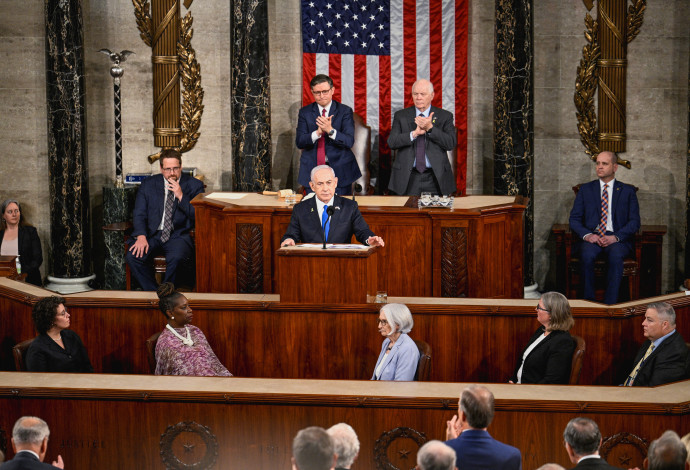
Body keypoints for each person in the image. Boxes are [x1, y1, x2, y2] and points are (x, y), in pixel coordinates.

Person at [126, 148, 204, 290]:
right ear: (161, 168)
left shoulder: (194, 185)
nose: (172, 173)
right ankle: (155, 293)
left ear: (181, 167)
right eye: (168, 169)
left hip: (177, 235)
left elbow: (198, 215)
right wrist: (141, 236)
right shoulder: (148, 184)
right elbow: (139, 213)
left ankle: (167, 292)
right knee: (133, 257)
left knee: (177, 257)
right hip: (152, 234)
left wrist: (181, 195)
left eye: (175, 168)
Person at [568, 150, 641, 304]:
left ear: (615, 167)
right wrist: (588, 235)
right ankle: (589, 302)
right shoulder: (586, 190)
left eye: (604, 163)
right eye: (598, 163)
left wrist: (615, 237)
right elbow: (574, 219)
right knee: (586, 255)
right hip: (592, 237)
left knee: (615, 256)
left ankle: (610, 304)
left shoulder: (627, 191)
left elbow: (634, 222)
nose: (599, 167)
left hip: (617, 238)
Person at [281, 165, 384, 247]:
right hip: (311, 264)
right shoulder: (300, 209)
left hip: (341, 263)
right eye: (320, 184)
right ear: (312, 186)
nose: (325, 188)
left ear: (335, 183)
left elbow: (363, 231)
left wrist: (369, 239)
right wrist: (289, 240)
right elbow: (291, 235)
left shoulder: (349, 207)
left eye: (329, 183)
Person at [387, 79, 457, 196]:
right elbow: (392, 142)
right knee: (407, 214)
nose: (418, 97)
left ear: (432, 96)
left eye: (422, 94)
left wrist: (430, 128)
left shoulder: (445, 116)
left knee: (436, 214)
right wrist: (413, 134)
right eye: (415, 94)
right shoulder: (401, 116)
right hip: (407, 178)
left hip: (435, 178)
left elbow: (450, 143)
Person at [296, 74, 362, 196]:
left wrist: (330, 130)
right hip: (312, 170)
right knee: (314, 211)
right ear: (312, 92)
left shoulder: (344, 111)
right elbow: (299, 142)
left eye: (325, 91)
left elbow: (349, 141)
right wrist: (317, 133)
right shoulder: (305, 112)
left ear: (332, 90)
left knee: (340, 211)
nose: (321, 96)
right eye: (317, 93)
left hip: (340, 170)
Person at [154, 282, 232, 376]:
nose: (190, 310)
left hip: (213, 382)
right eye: (183, 307)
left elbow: (213, 362)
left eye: (188, 305)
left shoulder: (195, 331)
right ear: (170, 313)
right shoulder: (166, 342)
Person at [444, 385, 522, 470]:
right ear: (491, 416)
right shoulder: (511, 455)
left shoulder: (440, 453)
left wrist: (449, 446)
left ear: (463, 415)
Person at [509, 291, 575, 384]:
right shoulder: (542, 330)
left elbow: (552, 380)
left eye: (539, 307)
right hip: (520, 386)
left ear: (552, 314)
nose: (535, 309)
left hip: (534, 393)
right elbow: (524, 361)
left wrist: (524, 390)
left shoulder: (562, 341)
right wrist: (513, 380)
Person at [623, 302, 689, 386]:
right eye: (645, 318)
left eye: (649, 320)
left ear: (665, 324)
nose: (643, 323)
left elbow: (655, 391)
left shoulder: (674, 354)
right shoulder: (651, 339)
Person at [25, 296, 93, 373]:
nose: (68, 315)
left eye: (66, 311)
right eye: (63, 313)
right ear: (51, 319)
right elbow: (40, 381)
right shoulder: (37, 349)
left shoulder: (72, 336)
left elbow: (87, 367)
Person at [371, 303, 420, 381]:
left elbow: (401, 387)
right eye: (379, 321)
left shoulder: (408, 349)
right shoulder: (387, 342)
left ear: (398, 324)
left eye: (384, 321)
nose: (379, 326)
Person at [0, 199, 43, 286]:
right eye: (10, 212)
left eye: (17, 211)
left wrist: (22, 274)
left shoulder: (30, 232)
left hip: (28, 280)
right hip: (5, 283)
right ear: (3, 216)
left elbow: (38, 259)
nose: (14, 214)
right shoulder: (0, 234)